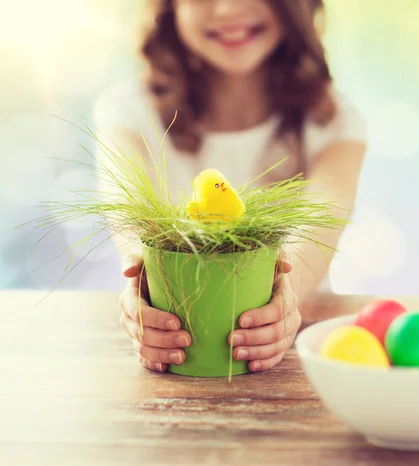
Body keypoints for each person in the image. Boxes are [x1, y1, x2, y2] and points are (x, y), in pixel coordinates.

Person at [93, 0, 367, 374]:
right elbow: (128, 218)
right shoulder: (126, 111)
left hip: (299, 354)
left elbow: (325, 215)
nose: (226, 9)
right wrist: (141, 288)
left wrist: (282, 302)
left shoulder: (334, 122)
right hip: (181, 354)